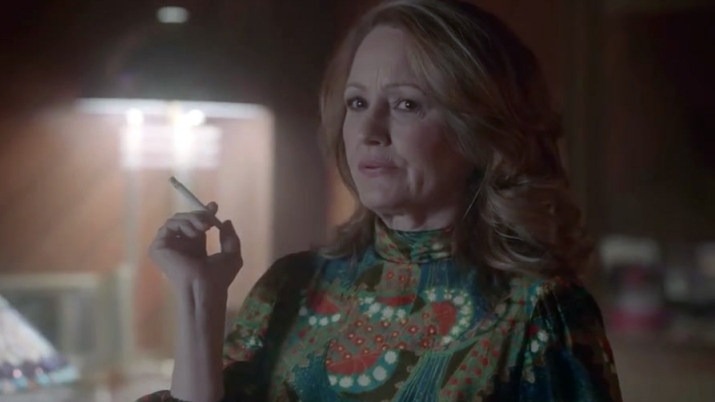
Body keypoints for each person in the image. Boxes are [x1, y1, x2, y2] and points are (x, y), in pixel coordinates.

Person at [138, 0, 622, 401]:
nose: (369, 131)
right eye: (356, 103)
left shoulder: (539, 312)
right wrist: (199, 299)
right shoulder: (291, 286)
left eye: (407, 104)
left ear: (480, 130)